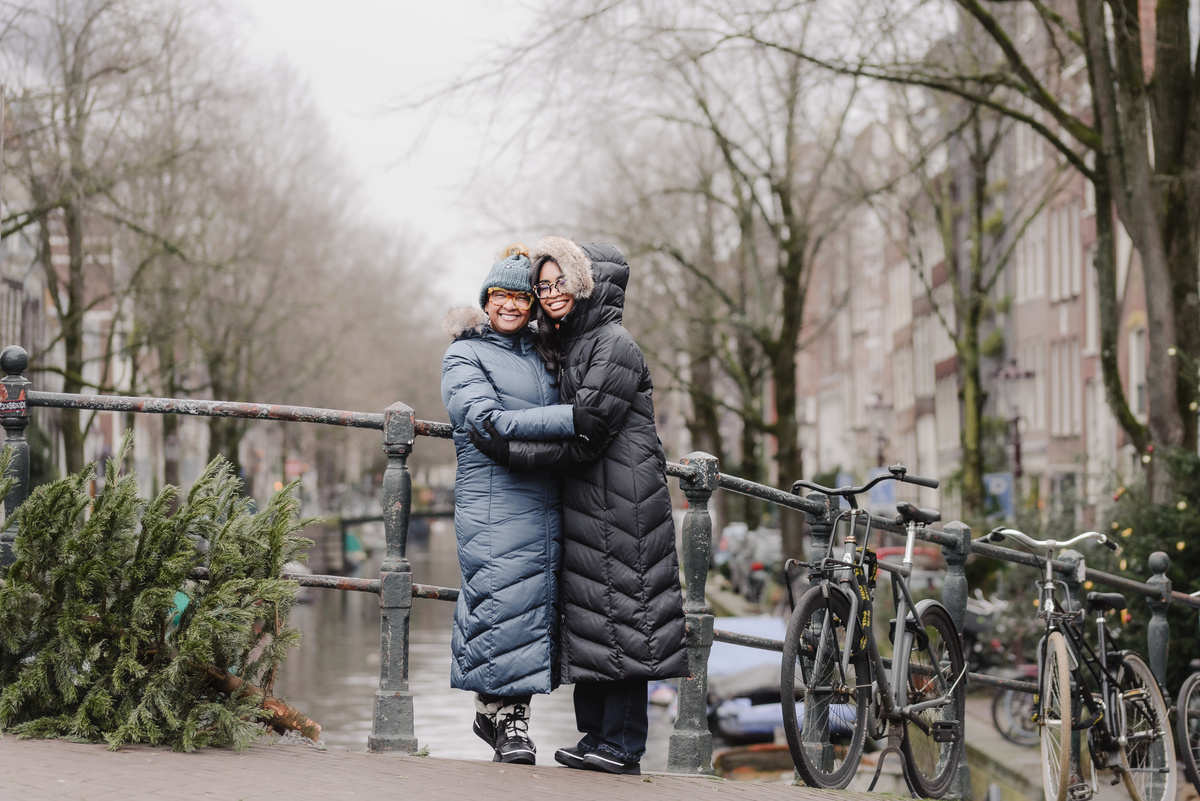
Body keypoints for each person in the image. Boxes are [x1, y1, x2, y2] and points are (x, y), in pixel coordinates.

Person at [471, 236, 687, 775]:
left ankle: (623, 744)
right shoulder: (571, 344)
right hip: (590, 500)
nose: (549, 294)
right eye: (542, 286)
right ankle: (596, 737)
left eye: (558, 282)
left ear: (585, 283)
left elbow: (587, 434)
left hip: (623, 501)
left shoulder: (613, 343)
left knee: (626, 618)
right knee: (595, 617)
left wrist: (511, 448)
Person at [441, 245, 608, 765]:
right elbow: (486, 421)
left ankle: (511, 718)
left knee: (532, 608)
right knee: (499, 600)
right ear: (486, 301)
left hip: (545, 500)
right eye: (501, 296)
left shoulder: (542, 351)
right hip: (493, 500)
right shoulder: (463, 355)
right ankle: (499, 714)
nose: (511, 306)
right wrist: (571, 419)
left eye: (520, 297)